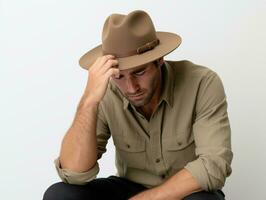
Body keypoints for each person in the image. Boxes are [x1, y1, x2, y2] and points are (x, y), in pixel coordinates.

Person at [43, 10, 233, 200]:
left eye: (139, 72)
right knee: (59, 195)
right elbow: (75, 174)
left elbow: (214, 165)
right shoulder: (106, 92)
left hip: (184, 192)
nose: (131, 87)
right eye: (119, 76)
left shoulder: (201, 83)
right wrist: (88, 101)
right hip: (127, 187)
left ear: (159, 59)